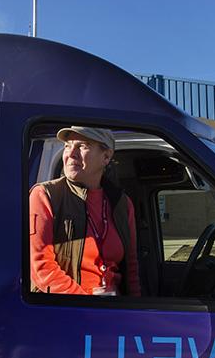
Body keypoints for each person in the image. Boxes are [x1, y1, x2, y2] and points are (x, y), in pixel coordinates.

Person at [29, 126, 141, 296]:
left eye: (82, 146)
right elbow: (42, 267)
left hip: (115, 313)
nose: (70, 153)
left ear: (106, 156)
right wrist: (87, 305)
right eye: (67, 145)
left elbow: (131, 268)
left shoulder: (122, 204)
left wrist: (135, 311)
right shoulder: (45, 195)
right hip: (66, 313)